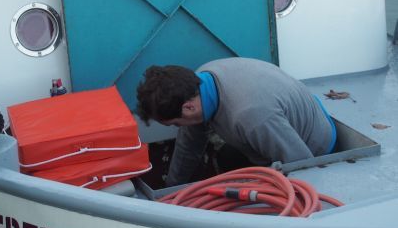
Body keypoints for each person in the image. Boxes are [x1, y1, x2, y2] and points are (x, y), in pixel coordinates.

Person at [136, 57, 336, 187]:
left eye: (176, 124)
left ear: (189, 108)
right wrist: (171, 191)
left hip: (312, 145)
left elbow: (302, 166)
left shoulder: (252, 116)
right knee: (227, 158)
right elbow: (189, 146)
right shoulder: (199, 82)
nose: (178, 128)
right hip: (278, 125)